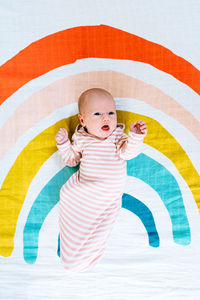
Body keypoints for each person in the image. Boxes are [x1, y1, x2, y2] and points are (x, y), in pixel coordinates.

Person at [55, 88, 147, 273]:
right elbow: (72, 160)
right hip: (86, 191)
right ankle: (74, 254)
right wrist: (64, 145)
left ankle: (88, 252)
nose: (106, 118)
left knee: (100, 229)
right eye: (97, 114)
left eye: (111, 113)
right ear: (82, 120)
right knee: (67, 194)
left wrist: (136, 137)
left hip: (108, 196)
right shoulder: (81, 138)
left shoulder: (118, 137)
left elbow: (128, 153)